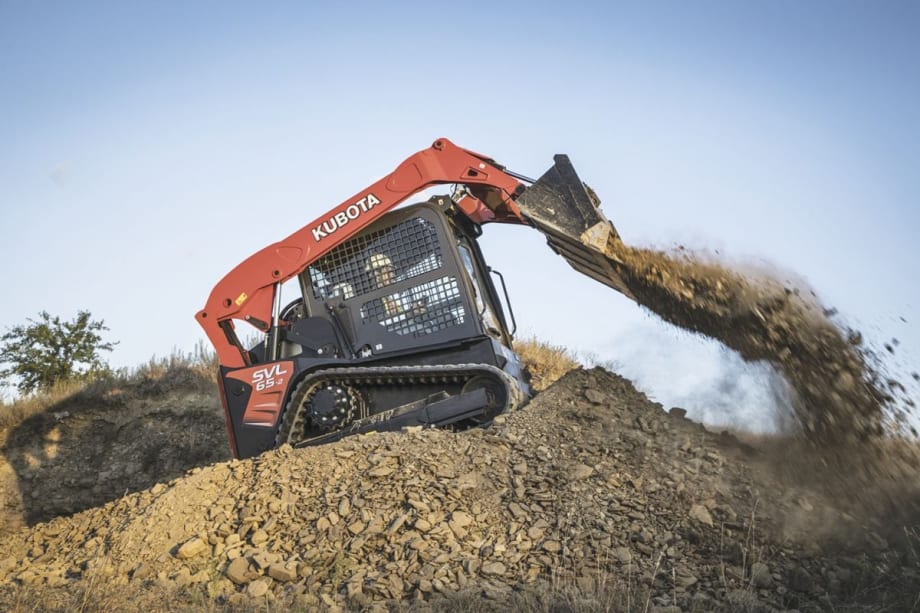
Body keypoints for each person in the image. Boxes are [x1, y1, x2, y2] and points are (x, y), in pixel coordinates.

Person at [365, 253, 426, 319]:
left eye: (393, 271)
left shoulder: (389, 297)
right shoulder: (371, 303)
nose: (393, 275)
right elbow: (384, 323)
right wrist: (410, 313)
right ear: (377, 274)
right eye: (389, 272)